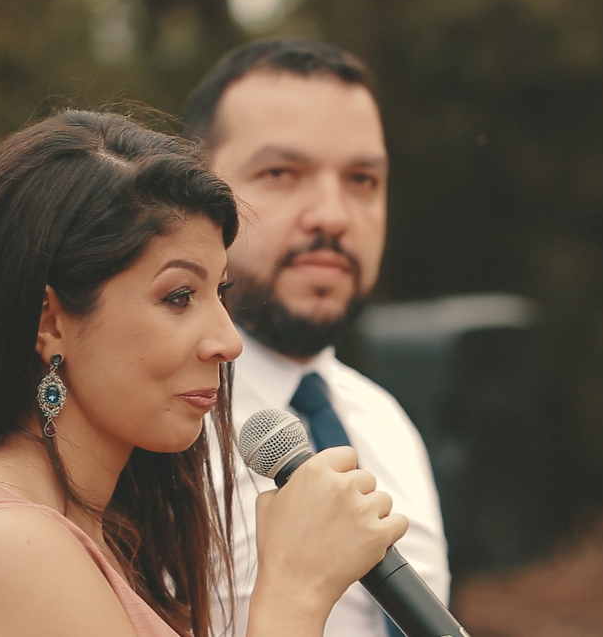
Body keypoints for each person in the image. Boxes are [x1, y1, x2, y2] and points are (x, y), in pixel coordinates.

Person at [0, 110, 407, 637]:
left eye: (220, 294)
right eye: (179, 296)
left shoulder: (99, 539)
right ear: (50, 321)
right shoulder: (2, 545)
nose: (228, 341)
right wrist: (295, 591)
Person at [181, 40, 450, 637]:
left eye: (362, 179)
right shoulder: (156, 432)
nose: (332, 214)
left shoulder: (387, 425)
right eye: (282, 173)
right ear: (198, 192)